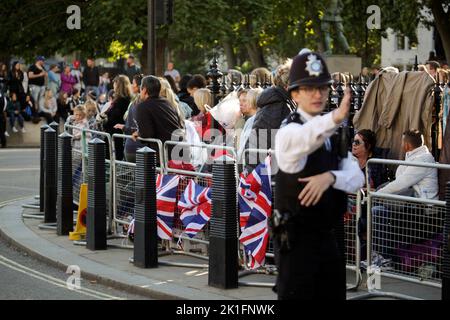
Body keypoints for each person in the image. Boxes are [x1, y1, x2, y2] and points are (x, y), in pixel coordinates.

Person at [273, 51, 364, 300]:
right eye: (309, 88)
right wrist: (334, 117)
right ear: (294, 94)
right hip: (296, 243)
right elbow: (305, 139)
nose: (318, 94)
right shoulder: (288, 132)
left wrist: (331, 177)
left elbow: (357, 178)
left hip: (328, 239)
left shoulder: (333, 134)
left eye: (322, 88)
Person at [245, 59, 296, 169]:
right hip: (264, 173)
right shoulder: (279, 105)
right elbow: (263, 143)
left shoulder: (281, 100)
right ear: (288, 86)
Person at [134, 75, 184, 159]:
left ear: (144, 90)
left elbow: (147, 133)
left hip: (164, 155)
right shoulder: (167, 102)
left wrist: (138, 134)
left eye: (141, 89)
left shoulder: (143, 106)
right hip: (178, 150)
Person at [377, 130, 438, 199]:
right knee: (381, 189)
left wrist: (378, 194)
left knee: (377, 208)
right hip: (414, 197)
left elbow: (402, 183)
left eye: (402, 142)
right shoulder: (417, 156)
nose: (401, 144)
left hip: (423, 203)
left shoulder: (421, 160)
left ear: (407, 145)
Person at [114, 74, 144, 163]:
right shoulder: (134, 100)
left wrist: (125, 128)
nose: (131, 85)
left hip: (137, 146)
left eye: (133, 83)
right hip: (131, 143)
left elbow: (135, 125)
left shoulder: (139, 103)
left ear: (140, 87)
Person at [102, 75, 131, 161]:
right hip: (112, 134)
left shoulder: (123, 100)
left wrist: (105, 119)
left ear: (119, 85)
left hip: (116, 135)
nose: (113, 86)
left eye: (115, 83)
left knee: (114, 160)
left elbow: (115, 117)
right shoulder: (118, 99)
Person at [237, 88, 263, 162]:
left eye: (246, 100)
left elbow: (243, 146)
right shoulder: (254, 119)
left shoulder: (253, 120)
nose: (242, 104)